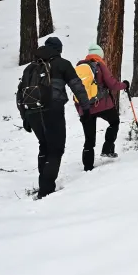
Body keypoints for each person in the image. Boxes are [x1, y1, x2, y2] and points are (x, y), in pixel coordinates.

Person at [17, 36, 94, 200]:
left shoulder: (30, 68)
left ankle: (43, 184)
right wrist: (86, 107)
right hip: (52, 110)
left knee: (43, 146)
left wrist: (25, 117)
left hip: (32, 112)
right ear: (59, 50)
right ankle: (46, 189)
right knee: (56, 149)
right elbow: (77, 86)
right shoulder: (62, 64)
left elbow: (20, 94)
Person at [75, 45, 125, 172]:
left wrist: (80, 110)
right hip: (102, 105)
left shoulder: (79, 68)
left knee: (89, 138)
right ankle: (107, 149)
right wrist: (124, 85)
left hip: (85, 108)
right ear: (100, 55)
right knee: (114, 122)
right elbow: (112, 84)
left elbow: (76, 91)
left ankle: (87, 166)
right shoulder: (99, 65)